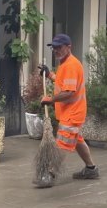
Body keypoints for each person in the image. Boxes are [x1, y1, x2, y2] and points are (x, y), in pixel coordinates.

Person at [38, 33, 99, 184]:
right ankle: (91, 169)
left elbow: (68, 92)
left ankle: (50, 175)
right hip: (70, 112)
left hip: (72, 113)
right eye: (54, 48)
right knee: (78, 141)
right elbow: (62, 81)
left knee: (61, 144)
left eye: (59, 47)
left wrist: (50, 99)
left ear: (68, 47)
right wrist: (49, 74)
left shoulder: (71, 65)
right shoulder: (65, 63)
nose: (56, 50)